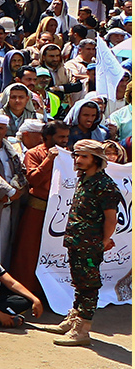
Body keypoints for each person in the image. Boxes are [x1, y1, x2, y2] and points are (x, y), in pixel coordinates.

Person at [54, 140, 122, 347]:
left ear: (96, 159)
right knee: (79, 282)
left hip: (90, 244)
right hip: (76, 241)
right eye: (77, 156)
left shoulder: (105, 185)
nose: (78, 160)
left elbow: (111, 218)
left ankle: (82, 330)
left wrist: (103, 241)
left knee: (89, 286)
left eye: (84, 156)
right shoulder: (84, 179)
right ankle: (73, 319)